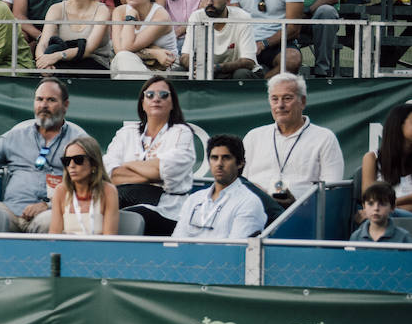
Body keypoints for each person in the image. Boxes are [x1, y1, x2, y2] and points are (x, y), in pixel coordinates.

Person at [0, 77, 85, 232]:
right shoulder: (16, 136)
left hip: (52, 210)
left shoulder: (79, 140)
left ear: (65, 105)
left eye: (51, 100)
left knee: (50, 221)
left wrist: (48, 205)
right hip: (11, 209)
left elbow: (89, 185)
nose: (44, 105)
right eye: (39, 99)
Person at [102, 75, 197, 234]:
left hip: (168, 207)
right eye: (150, 95)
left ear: (173, 103)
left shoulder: (181, 132)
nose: (156, 99)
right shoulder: (126, 133)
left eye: (164, 95)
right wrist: (152, 175)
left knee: (132, 217)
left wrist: (127, 165)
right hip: (124, 198)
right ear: (142, 103)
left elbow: (167, 171)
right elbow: (109, 175)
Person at [242, 72, 345, 204]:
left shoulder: (324, 138)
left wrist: (297, 203)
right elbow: (240, 183)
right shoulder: (254, 137)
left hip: (303, 214)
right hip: (255, 211)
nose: (280, 105)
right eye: (275, 99)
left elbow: (331, 190)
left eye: (287, 98)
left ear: (302, 102)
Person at [171, 133, 268, 239]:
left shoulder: (249, 202)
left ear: (240, 163)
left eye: (226, 158)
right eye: (214, 158)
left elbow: (236, 250)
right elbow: (176, 242)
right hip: (187, 255)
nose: (219, 164)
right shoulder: (193, 199)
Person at [33, 0, 111, 70]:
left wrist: (58, 56)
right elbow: (43, 43)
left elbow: (89, 49)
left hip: (94, 65)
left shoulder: (101, 10)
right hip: (61, 64)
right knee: (51, 51)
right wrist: (43, 61)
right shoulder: (56, 9)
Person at [180, 0, 259, 77]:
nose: (209, 2)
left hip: (233, 72)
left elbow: (248, 61)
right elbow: (185, 56)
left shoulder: (242, 17)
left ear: (228, 0)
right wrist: (197, 67)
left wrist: (217, 67)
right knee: (179, 71)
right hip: (206, 71)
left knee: (242, 74)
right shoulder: (196, 17)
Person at [110, 0, 177, 78]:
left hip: (161, 69)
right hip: (127, 64)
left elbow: (126, 47)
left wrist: (129, 19)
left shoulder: (160, 16)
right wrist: (154, 53)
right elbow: (120, 50)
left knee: (124, 62)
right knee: (123, 58)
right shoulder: (119, 11)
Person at [48, 134, 119, 234]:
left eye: (78, 160)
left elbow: (109, 239)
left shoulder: (108, 191)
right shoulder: (61, 191)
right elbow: (54, 238)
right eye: (67, 161)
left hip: (99, 249)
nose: (71, 166)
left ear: (94, 163)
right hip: (67, 249)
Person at [361, 103, 412, 217]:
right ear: (399, 125)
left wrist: (389, 205)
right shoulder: (372, 158)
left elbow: (375, 207)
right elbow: (369, 204)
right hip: (386, 222)